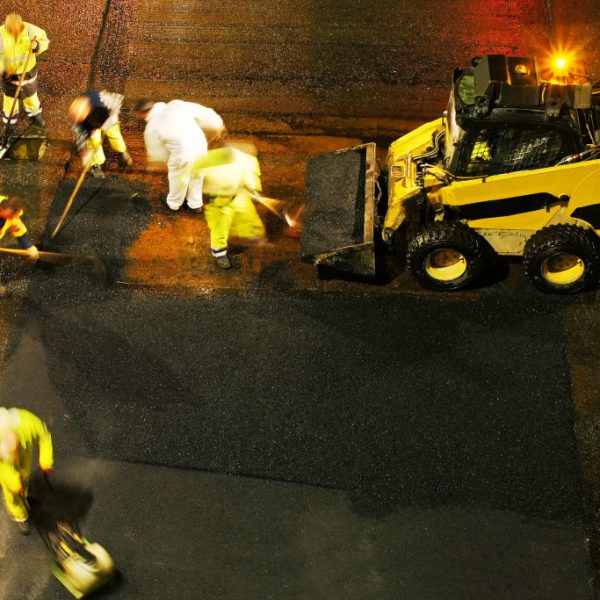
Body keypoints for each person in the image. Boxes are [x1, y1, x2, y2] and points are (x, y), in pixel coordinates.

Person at [134, 98, 226, 212]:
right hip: (200, 144)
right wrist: (218, 124)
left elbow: (158, 153)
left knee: (177, 178)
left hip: (183, 152)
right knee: (197, 176)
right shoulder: (176, 105)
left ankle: (174, 204)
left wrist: (170, 163)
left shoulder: (151, 127)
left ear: (143, 113)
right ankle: (195, 205)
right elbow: (204, 113)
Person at [195, 144, 266, 269]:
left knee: (247, 219)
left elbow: (251, 175)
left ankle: (244, 237)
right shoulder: (209, 162)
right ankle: (220, 254)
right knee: (219, 229)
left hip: (238, 196)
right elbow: (195, 177)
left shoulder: (246, 160)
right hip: (217, 203)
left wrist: (254, 189)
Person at [0, 407, 53, 535]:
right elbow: (2, 470)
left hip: (24, 451)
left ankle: (24, 491)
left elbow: (43, 435)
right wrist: (14, 483)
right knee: (12, 495)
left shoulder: (28, 423)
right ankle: (20, 516)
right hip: (4, 467)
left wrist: (46, 460)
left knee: (24, 476)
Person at [68, 90, 133, 179]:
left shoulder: (99, 100)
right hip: (92, 126)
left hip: (108, 119)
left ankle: (122, 151)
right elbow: (80, 136)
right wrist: (85, 154)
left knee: (114, 134)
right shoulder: (78, 120)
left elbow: (118, 101)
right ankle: (96, 165)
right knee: (93, 141)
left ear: (87, 108)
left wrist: (113, 117)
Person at [0, 13, 49, 129]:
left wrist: (38, 46)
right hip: (9, 76)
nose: (15, 34)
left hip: (28, 73)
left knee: (31, 97)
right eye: (12, 32)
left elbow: (44, 40)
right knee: (9, 101)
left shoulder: (30, 30)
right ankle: (9, 123)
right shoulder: (1, 35)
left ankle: (35, 116)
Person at [0, 195, 39, 297]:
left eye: (10, 216)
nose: (8, 217)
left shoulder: (12, 218)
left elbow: (20, 233)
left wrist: (29, 246)